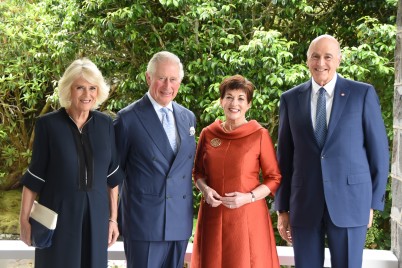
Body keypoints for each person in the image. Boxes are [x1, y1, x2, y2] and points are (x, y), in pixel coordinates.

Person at [275, 34, 389, 268]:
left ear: (339, 59)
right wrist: (282, 208)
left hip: (352, 202)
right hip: (304, 202)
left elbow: (379, 153)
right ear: (307, 60)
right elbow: (284, 158)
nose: (321, 63)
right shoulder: (290, 99)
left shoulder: (362, 94)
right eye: (315, 56)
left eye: (328, 56)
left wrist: (372, 204)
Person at [19, 58, 124, 268]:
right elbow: (34, 178)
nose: (87, 95)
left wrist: (113, 220)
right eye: (80, 88)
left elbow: (112, 179)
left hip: (96, 217)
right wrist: (24, 222)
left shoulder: (105, 125)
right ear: (69, 89)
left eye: (92, 88)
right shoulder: (47, 125)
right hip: (58, 218)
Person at [114, 51, 197, 268]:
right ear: (148, 78)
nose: (167, 85)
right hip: (143, 222)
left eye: (173, 79)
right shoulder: (127, 119)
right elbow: (113, 176)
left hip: (179, 222)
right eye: (161, 78)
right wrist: (111, 218)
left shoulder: (188, 117)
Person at [191, 75, 282, 268]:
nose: (235, 103)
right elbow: (197, 172)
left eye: (241, 98)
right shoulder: (208, 133)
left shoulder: (259, 134)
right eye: (229, 97)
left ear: (249, 104)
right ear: (221, 101)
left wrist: (248, 197)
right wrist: (205, 190)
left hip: (247, 216)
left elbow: (274, 178)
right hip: (213, 215)